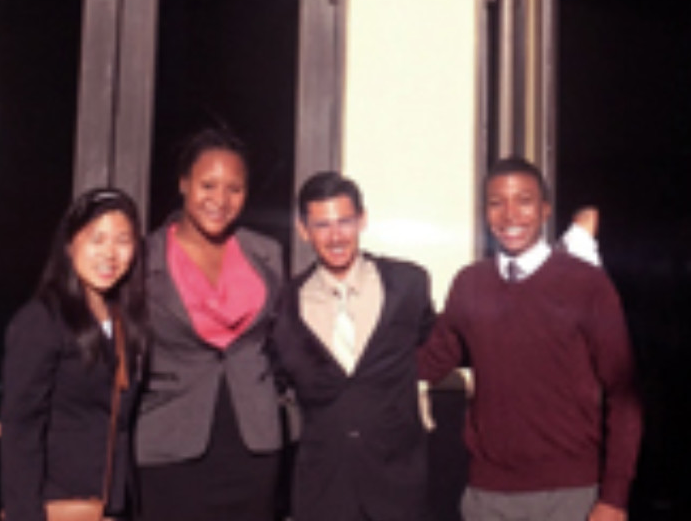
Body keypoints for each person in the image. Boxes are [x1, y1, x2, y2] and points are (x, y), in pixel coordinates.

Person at [419, 156, 643, 521]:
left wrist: (614, 497)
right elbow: (428, 363)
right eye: (496, 203)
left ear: (544, 210)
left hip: (570, 496)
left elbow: (624, 395)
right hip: (486, 498)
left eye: (523, 201)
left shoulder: (586, 284)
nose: (509, 215)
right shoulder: (469, 284)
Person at [134, 127, 286, 521]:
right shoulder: (142, 259)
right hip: (169, 443)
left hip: (253, 444)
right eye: (208, 185)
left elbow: (286, 344)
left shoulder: (266, 254)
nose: (220, 200)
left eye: (234, 189)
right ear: (183, 184)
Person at [269, 171, 436, 521]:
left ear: (362, 220)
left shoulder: (408, 286)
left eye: (345, 222)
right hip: (323, 492)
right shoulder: (283, 306)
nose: (336, 237)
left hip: (398, 489)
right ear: (303, 229)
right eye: (322, 225)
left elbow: (434, 349)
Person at [0, 187, 150, 521]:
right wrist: (24, 513)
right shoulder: (41, 321)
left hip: (114, 504)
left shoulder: (126, 321)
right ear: (70, 244)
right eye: (97, 239)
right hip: (58, 503)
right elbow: (20, 427)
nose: (110, 254)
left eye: (123, 241)